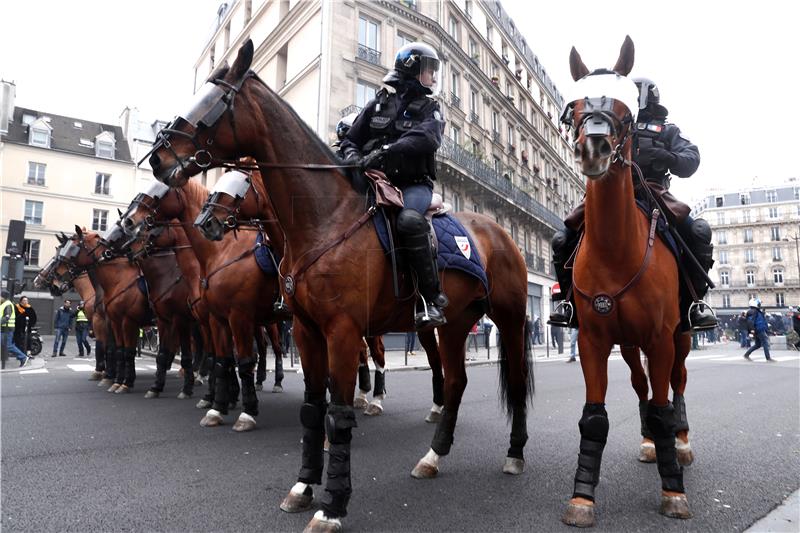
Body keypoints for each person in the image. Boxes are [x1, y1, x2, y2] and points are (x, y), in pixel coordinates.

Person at [549, 77, 716, 331]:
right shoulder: (614, 122)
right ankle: (568, 302)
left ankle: (694, 304)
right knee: (562, 239)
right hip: (609, 193)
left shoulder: (667, 131)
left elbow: (691, 159)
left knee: (698, 232)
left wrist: (665, 156)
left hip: (653, 192)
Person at [340, 41, 447, 330]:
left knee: (410, 221)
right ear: (413, 69)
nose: (433, 78)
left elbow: (428, 138)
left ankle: (431, 299)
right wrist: (353, 157)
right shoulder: (377, 104)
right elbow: (351, 139)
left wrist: (386, 150)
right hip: (374, 182)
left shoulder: (430, 108)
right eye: (429, 70)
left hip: (413, 185)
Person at [1, 290, 29, 367]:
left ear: (3, 297)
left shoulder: (8, 305)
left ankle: (23, 357)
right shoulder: (3, 304)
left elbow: (7, 317)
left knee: (8, 346)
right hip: (3, 329)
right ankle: (23, 357)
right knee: (6, 345)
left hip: (7, 329)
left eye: (0, 296)